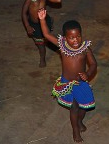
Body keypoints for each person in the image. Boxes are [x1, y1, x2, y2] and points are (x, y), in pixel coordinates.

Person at [38, 9, 97, 143]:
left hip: (80, 82)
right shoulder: (62, 46)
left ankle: (79, 121)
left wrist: (87, 73)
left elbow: (94, 64)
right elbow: (46, 34)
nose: (75, 40)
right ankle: (75, 130)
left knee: (85, 106)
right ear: (65, 38)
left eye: (78, 36)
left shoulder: (86, 48)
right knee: (74, 107)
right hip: (67, 83)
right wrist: (42, 19)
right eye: (71, 37)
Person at [21, 0, 61, 67]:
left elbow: (58, 0)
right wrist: (27, 26)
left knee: (48, 38)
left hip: (43, 21)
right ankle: (42, 58)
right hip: (35, 24)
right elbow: (23, 13)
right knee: (41, 45)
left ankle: (49, 21)